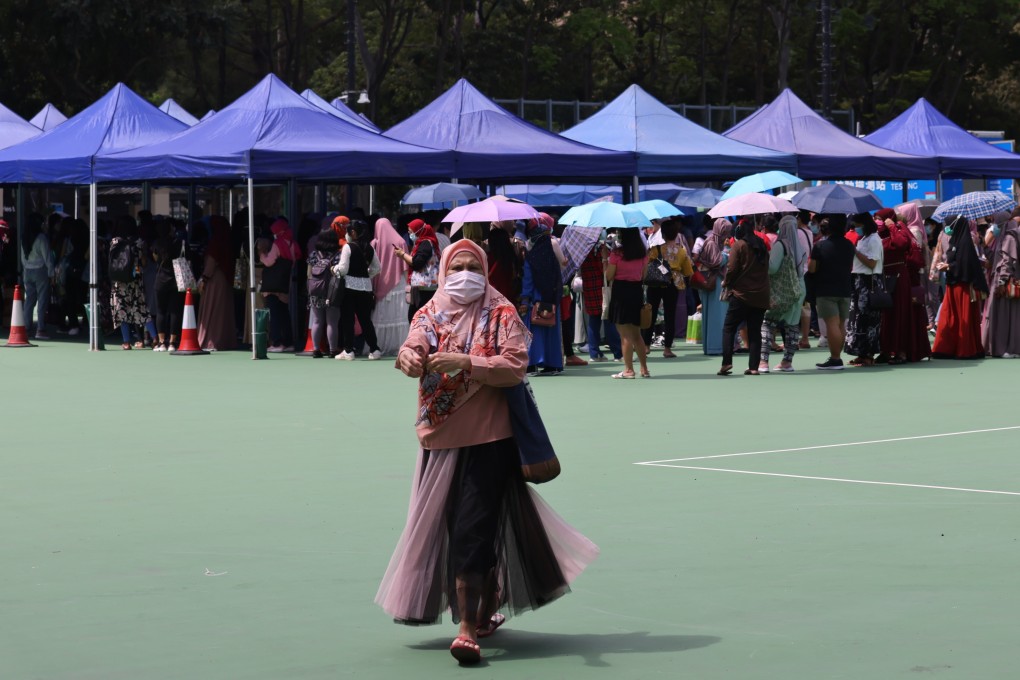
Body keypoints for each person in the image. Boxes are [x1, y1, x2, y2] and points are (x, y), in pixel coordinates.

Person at [378, 239, 598, 665]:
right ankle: (484, 604)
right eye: (456, 266)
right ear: (443, 271)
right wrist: (407, 357)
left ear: (484, 270)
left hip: (491, 440)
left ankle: (465, 628)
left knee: (473, 528)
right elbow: (414, 344)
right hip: (439, 440)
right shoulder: (429, 312)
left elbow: (515, 365)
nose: (464, 274)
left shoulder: (502, 312)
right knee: (455, 526)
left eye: (471, 266)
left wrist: (466, 363)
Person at [718, 219, 770, 375]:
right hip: (761, 295)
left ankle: (727, 362)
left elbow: (732, 268)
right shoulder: (761, 245)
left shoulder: (738, 245)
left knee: (729, 328)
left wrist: (726, 282)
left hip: (741, 294)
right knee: (755, 331)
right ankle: (754, 367)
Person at [932, 216, 988, 359]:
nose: (947, 228)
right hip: (954, 285)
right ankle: (948, 348)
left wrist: (949, 266)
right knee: (950, 317)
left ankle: (965, 349)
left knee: (963, 317)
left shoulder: (965, 243)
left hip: (962, 287)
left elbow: (965, 264)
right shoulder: (956, 241)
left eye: (950, 225)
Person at [759, 216, 806, 372]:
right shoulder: (799, 245)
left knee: (768, 323)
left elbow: (772, 268)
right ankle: (787, 362)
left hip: (781, 290)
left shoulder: (780, 245)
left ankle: (763, 362)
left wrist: (763, 258)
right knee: (792, 325)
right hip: (798, 289)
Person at [641, 220, 693, 359]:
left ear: (662, 234)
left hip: (655, 282)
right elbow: (688, 271)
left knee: (650, 314)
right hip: (672, 284)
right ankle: (667, 348)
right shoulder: (681, 251)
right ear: (676, 234)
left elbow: (647, 264)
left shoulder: (655, 249)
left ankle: (646, 346)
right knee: (670, 316)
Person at [809, 215, 855, 370]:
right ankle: (837, 356)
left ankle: (835, 359)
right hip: (845, 287)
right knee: (841, 323)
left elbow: (812, 268)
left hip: (826, 288)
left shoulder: (821, 246)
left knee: (831, 324)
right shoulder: (849, 244)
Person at [518, 219, 564, 375]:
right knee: (552, 332)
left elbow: (528, 282)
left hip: (535, 303)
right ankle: (553, 364)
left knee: (534, 334)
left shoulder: (531, 259)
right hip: (551, 302)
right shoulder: (552, 259)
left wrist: (524, 299)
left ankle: (533, 364)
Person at [334, 219, 383, 360]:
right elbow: (377, 268)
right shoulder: (369, 247)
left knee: (348, 319)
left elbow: (343, 269)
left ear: (353, 233)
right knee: (365, 320)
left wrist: (334, 269)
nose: (346, 235)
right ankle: (375, 349)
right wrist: (366, 274)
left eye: (347, 233)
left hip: (349, 287)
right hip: (366, 288)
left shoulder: (348, 247)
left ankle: (348, 350)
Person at [606, 228, 650, 378]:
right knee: (637, 334)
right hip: (636, 291)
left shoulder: (616, 253)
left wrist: (606, 262)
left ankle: (629, 370)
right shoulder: (642, 253)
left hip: (621, 292)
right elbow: (644, 275)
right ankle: (644, 369)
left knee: (625, 335)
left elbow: (609, 275)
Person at [844, 212, 885, 367]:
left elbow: (872, 263)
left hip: (869, 282)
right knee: (858, 319)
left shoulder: (873, 239)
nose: (856, 228)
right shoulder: (865, 238)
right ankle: (861, 352)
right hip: (859, 281)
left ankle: (868, 354)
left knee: (868, 319)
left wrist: (855, 251)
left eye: (858, 225)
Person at [982, 209, 1020, 357]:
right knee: (1005, 315)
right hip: (1002, 281)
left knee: (1004, 315)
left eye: (996, 222)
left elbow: (1007, 262)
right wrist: (985, 247)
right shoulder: (1004, 237)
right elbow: (996, 259)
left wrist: (1001, 282)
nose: (994, 226)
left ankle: (1005, 347)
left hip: (1005, 282)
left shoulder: (1010, 237)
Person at [258, 218, 300, 352]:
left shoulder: (277, 244)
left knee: (274, 314)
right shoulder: (292, 243)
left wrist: (262, 255)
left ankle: (277, 343)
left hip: (273, 285)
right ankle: (288, 342)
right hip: (285, 284)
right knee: (284, 314)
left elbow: (269, 262)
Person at [371, 217, 411, 354]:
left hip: (380, 284)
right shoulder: (400, 241)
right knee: (400, 315)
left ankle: (379, 345)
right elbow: (405, 266)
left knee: (381, 316)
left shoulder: (374, 243)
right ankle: (401, 345)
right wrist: (409, 284)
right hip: (398, 283)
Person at [197, 216, 236, 351]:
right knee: (222, 311)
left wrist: (204, 278)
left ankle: (210, 341)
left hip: (214, 279)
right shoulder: (228, 240)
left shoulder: (215, 241)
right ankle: (224, 340)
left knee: (212, 310)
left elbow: (211, 262)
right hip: (225, 280)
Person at [579, 240, 621, 362]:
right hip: (602, 288)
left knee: (593, 320)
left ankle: (594, 353)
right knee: (608, 319)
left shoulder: (582, 248)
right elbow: (604, 271)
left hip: (589, 287)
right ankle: (618, 353)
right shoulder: (600, 248)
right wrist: (605, 259)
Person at [698, 218, 733, 356]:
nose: (727, 235)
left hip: (714, 281)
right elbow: (716, 262)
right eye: (725, 232)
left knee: (716, 314)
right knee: (716, 315)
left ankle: (714, 346)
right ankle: (716, 346)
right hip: (715, 281)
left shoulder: (714, 241)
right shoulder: (712, 243)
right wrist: (727, 255)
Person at [394, 218, 440, 322]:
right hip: (424, 287)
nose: (410, 235)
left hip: (425, 287)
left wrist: (402, 255)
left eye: (411, 232)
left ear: (418, 231)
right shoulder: (423, 243)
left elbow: (417, 263)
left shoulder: (425, 244)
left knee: (418, 318)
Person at [306, 230, 342, 357]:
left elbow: (309, 274)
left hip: (316, 291)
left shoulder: (314, 255)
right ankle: (333, 349)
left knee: (317, 321)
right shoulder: (338, 254)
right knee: (332, 322)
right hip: (332, 292)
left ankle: (316, 349)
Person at [21, 213, 54, 339]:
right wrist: (51, 274)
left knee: (29, 301)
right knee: (42, 300)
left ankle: (26, 328)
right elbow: (48, 258)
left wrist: (25, 268)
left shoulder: (24, 237)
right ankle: (40, 329)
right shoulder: (41, 238)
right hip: (40, 271)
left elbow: (22, 258)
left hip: (27, 271)